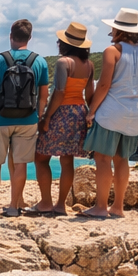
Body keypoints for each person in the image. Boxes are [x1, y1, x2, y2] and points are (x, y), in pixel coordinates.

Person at [83, 7, 138, 218]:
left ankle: (101, 207)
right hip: (134, 114)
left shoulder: (112, 51)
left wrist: (91, 111)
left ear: (118, 30)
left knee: (103, 159)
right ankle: (118, 207)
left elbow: (104, 85)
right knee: (122, 159)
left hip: (111, 113)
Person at [0, 18, 50, 218]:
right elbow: (44, 95)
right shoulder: (40, 61)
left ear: (11, 36)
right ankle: (12, 207)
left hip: (1, 119)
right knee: (21, 164)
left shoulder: (0, 60)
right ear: (30, 37)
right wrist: (39, 115)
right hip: (28, 120)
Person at [31, 21, 96, 216]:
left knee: (41, 157)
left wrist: (47, 117)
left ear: (65, 44)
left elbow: (59, 92)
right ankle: (61, 205)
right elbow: (90, 93)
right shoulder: (89, 65)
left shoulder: (63, 63)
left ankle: (45, 202)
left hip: (61, 112)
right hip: (79, 112)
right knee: (67, 160)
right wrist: (90, 114)